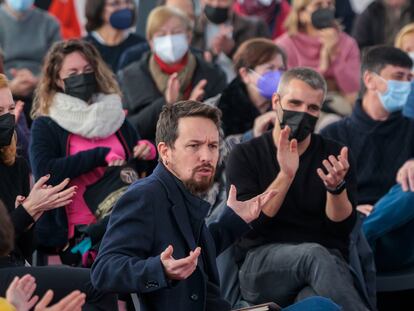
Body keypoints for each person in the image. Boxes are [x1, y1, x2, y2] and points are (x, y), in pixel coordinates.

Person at [91, 100, 342, 311]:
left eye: (212, 146)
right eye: (194, 146)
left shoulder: (183, 189)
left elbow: (194, 252)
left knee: (318, 303)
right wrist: (160, 269)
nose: (206, 156)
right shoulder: (146, 195)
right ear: (165, 152)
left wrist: (233, 222)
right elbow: (103, 271)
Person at [226, 67, 370, 310]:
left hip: (324, 265)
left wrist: (336, 188)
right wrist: (286, 174)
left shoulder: (334, 155)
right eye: (295, 103)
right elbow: (250, 224)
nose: (303, 113)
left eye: (312, 108)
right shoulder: (245, 154)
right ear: (276, 102)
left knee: (314, 301)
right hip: (261, 264)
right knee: (314, 255)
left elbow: (341, 229)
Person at [0, 73, 118, 310]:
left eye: (10, 108)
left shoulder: (16, 164)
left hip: (14, 268)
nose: (7, 117)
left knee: (96, 283)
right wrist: (27, 211)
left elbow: (23, 249)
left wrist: (33, 216)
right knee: (95, 285)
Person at [29, 39, 155, 259]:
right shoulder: (47, 124)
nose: (82, 77)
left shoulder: (114, 115)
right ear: (58, 79)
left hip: (125, 221)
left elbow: (134, 163)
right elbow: (46, 171)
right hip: (79, 235)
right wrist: (98, 156)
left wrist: (146, 152)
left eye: (88, 70)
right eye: (73, 72)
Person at [321, 45, 414, 272]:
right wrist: (348, 206)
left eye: (410, 78)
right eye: (398, 77)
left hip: (400, 231)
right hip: (350, 220)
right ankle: (357, 240)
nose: (406, 85)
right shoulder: (333, 134)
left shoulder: (412, 130)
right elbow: (318, 191)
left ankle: (355, 242)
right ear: (370, 80)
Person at [118, 5, 227, 141]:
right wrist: (166, 103)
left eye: (176, 33)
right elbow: (128, 129)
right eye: (162, 35)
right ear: (151, 41)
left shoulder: (212, 74)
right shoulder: (130, 76)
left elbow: (226, 125)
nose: (169, 40)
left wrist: (195, 110)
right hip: (151, 157)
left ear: (188, 36)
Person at [275, 0, 360, 112]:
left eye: (329, 4)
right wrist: (323, 67)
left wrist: (335, 56)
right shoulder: (285, 45)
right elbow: (289, 90)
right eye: (318, 5)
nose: (325, 9)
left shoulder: (348, 43)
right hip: (299, 108)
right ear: (302, 14)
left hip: (339, 106)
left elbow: (352, 90)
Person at [0, 0, 61, 124]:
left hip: (43, 93)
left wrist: (38, 81)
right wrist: (8, 87)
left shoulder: (50, 23)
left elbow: (59, 64)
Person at [212, 38, 286, 137]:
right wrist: (251, 136)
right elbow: (217, 148)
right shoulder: (217, 110)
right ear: (245, 74)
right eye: (270, 68)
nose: (277, 75)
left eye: (281, 69)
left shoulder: (289, 106)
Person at [84, 0, 146, 72]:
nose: (124, 7)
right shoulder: (84, 47)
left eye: (128, 2)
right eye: (115, 3)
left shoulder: (141, 47)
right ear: (99, 8)